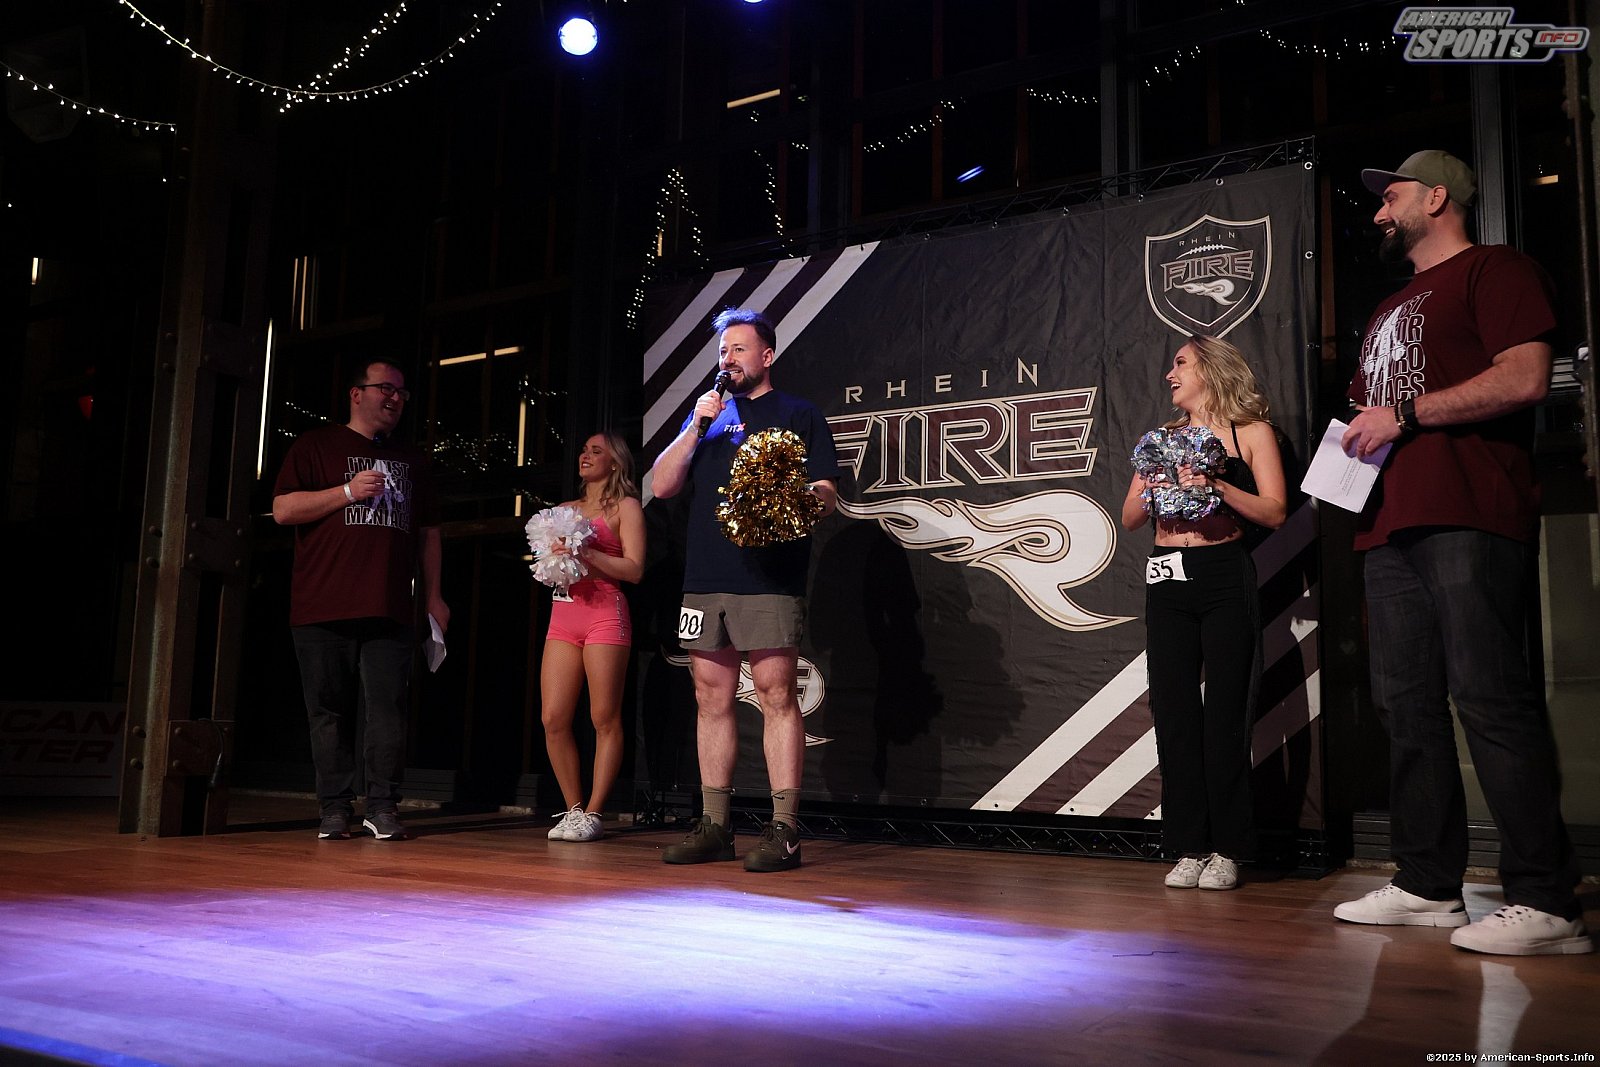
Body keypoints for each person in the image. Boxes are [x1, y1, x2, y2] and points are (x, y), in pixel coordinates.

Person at [1336, 150, 1590, 955]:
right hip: (1387, 523)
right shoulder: (1387, 307)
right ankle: (1426, 883)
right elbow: (1372, 415)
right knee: (1403, 705)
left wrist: (1405, 413)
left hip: (1469, 511)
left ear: (1438, 197)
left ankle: (1546, 900)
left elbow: (1523, 378)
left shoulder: (1496, 269)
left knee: (1489, 696)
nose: (1380, 212)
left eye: (1393, 197)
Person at [649, 307, 839, 872]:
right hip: (705, 579)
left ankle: (784, 830)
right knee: (710, 699)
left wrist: (793, 505)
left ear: (766, 356)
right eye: (722, 351)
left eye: (738, 349)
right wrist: (694, 425)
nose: (727, 359)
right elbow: (662, 485)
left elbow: (826, 492)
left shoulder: (798, 412)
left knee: (777, 695)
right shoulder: (707, 416)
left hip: (768, 577)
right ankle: (715, 826)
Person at [1120, 335, 1287, 891]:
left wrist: (1214, 484)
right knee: (1173, 713)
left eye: (1181, 364)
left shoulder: (1251, 433)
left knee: (1224, 716)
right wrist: (1153, 482)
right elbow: (1130, 519)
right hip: (1167, 578)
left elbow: (1275, 511)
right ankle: (1187, 845)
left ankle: (1229, 848)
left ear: (1211, 371)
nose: (1170, 374)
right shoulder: (1160, 439)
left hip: (1222, 576)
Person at [272, 359, 448, 842]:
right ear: (356, 393)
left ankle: (383, 806)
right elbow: (283, 509)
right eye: (385, 388)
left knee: (388, 710)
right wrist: (347, 491)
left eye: (401, 393)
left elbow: (430, 533)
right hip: (321, 603)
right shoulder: (316, 445)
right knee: (328, 711)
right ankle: (334, 808)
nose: (395, 398)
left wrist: (434, 596)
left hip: (390, 605)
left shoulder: (412, 460)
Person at [540, 431, 645, 843]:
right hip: (564, 614)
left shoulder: (626, 507)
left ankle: (595, 812)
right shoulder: (564, 510)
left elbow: (634, 569)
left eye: (596, 451)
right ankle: (573, 810)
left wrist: (587, 553)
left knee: (603, 717)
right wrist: (553, 559)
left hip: (605, 613)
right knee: (553, 718)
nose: (585, 455)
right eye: (583, 450)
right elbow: (549, 565)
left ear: (615, 462)